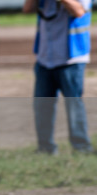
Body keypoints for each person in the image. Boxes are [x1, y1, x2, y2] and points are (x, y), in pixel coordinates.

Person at [23, 0, 93, 155]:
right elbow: (27, 9)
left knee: (74, 104)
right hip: (45, 57)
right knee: (42, 106)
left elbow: (79, 11)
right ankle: (45, 147)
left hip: (71, 58)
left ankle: (81, 147)